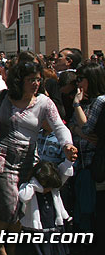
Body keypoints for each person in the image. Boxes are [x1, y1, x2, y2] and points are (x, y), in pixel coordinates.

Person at [0, 60, 77, 255]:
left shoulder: (43, 102)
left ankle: (12, 248)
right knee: (8, 206)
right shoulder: (3, 98)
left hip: (28, 160)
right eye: (30, 80)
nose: (35, 83)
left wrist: (67, 144)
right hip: (1, 159)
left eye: (38, 79)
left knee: (22, 206)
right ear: (19, 81)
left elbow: (58, 125)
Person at [67, 62, 105, 235]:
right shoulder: (87, 102)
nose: (78, 84)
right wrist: (77, 130)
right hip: (79, 162)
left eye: (81, 79)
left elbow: (88, 128)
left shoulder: (100, 101)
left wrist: (76, 105)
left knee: (91, 206)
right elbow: (74, 127)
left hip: (92, 163)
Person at [18, 160, 73, 255]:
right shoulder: (29, 188)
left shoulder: (54, 190)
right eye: (46, 186)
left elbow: (64, 173)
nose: (48, 189)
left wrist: (69, 161)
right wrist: (35, 184)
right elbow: (23, 197)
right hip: (37, 232)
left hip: (54, 229)